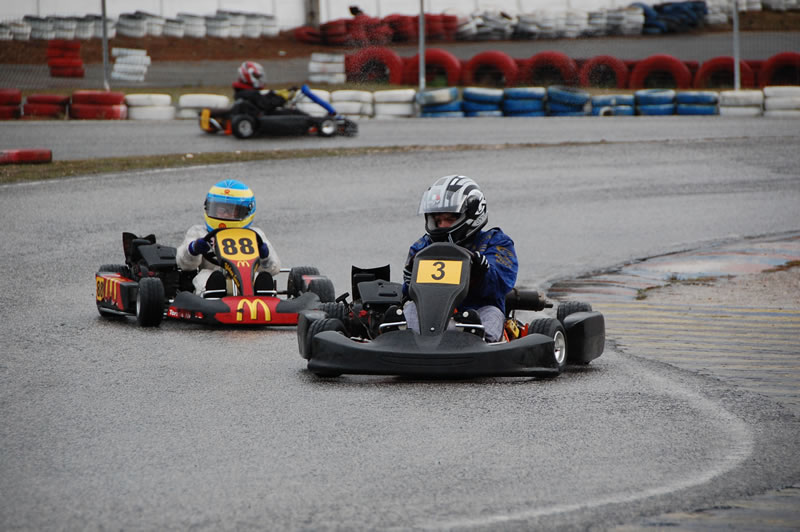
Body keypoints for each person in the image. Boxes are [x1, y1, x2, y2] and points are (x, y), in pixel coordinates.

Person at [401, 175, 518, 341]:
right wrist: (409, 281)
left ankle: (481, 345)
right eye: (438, 220)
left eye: (449, 219)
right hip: (430, 316)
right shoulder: (422, 246)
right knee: (411, 308)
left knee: (492, 313)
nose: (442, 225)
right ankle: (404, 344)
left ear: (472, 215)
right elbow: (408, 293)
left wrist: (482, 272)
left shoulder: (496, 242)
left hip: (476, 313)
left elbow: (501, 284)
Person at [177, 179, 281, 295]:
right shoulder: (199, 232)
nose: (225, 214)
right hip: (212, 275)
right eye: (220, 210)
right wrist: (193, 249)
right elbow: (183, 264)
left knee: (259, 277)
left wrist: (264, 255)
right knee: (204, 277)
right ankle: (214, 296)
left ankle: (263, 297)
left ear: (246, 211)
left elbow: (273, 268)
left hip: (246, 276)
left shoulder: (255, 235)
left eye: (231, 210)